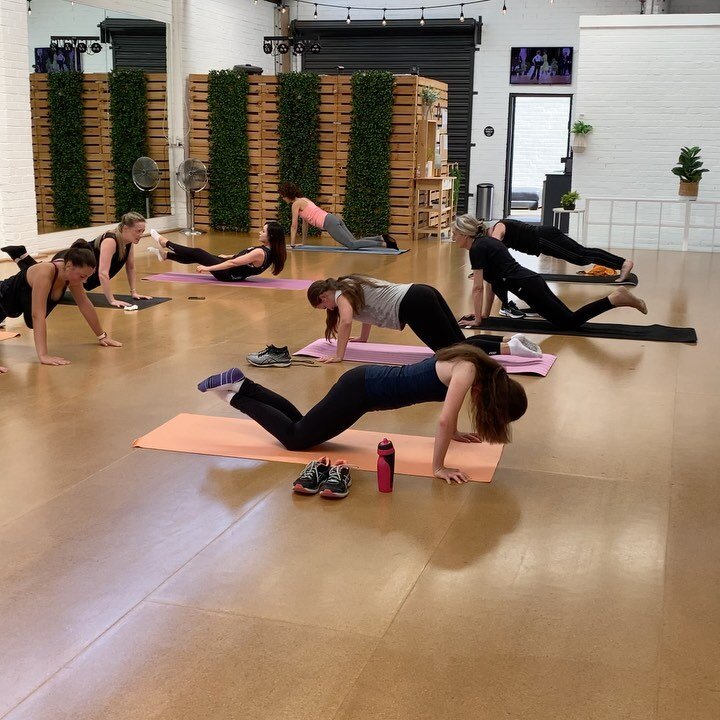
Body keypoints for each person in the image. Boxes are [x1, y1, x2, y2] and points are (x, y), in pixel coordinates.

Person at [197, 343, 528, 486]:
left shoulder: (478, 367)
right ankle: (235, 396)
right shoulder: (470, 371)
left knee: (301, 424)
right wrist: (439, 467)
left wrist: (455, 434)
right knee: (297, 440)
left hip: (365, 387)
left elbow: (450, 415)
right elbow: (444, 417)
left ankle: (245, 386)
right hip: (361, 391)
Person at [451, 215, 648, 330]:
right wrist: (483, 316)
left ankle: (616, 298)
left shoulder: (479, 247)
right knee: (568, 317)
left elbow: (477, 288)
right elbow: (491, 284)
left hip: (529, 284)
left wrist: (477, 320)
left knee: (570, 322)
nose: (453, 238)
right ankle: (617, 294)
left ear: (465, 234)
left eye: (455, 234)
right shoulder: (485, 245)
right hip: (531, 282)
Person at [306, 275, 543, 363]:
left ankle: (509, 348)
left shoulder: (340, 295)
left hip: (412, 304)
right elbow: (365, 314)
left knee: (449, 352)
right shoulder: (348, 284)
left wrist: (340, 355)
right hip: (422, 291)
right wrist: (363, 338)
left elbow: (346, 321)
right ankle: (511, 339)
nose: (327, 308)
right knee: (458, 342)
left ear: (324, 295)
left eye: (323, 304)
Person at [0, 240, 122, 366]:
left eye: (87, 277)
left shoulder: (70, 276)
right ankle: (20, 255)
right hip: (3, 296)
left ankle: (21, 256)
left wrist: (102, 336)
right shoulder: (45, 273)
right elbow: (38, 315)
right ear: (69, 266)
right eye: (82, 277)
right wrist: (43, 355)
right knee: (33, 319)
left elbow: (84, 303)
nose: (85, 282)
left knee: (31, 322)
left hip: (19, 299)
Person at [2, 212, 152, 309]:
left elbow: (130, 267)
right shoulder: (111, 240)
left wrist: (134, 292)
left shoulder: (128, 242)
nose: (141, 234)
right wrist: (111, 300)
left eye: (142, 231)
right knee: (41, 286)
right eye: (138, 231)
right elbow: (103, 273)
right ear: (125, 228)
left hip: (81, 270)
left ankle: (20, 255)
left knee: (43, 281)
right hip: (69, 261)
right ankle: (20, 256)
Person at [488, 217, 635, 283]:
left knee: (581, 256)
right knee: (580, 256)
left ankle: (622, 263)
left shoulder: (499, 226)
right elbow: (499, 256)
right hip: (543, 241)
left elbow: (494, 246)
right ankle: (621, 263)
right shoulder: (499, 232)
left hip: (544, 238)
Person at [279, 182, 400, 251]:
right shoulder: (303, 199)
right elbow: (304, 223)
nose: (282, 198)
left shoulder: (295, 204)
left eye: (282, 196)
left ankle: (384, 244)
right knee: (354, 241)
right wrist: (303, 242)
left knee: (351, 245)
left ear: (286, 195)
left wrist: (293, 244)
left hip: (329, 222)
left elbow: (294, 225)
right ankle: (381, 237)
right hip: (333, 218)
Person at [147, 221, 287, 280]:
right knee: (199, 256)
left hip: (227, 274)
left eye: (263, 231)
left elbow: (233, 264)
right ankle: (165, 255)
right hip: (233, 273)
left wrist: (208, 268)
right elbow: (245, 258)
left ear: (271, 236)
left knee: (198, 253)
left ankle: (165, 242)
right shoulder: (270, 252)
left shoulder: (260, 253)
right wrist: (228, 255)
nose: (259, 232)